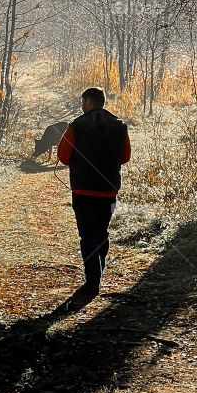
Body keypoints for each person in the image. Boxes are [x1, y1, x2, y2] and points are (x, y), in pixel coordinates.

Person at [56, 87, 131, 298]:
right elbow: (125, 157)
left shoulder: (76, 126)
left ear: (88, 101)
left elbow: (63, 156)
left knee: (87, 234)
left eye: (82, 101)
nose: (82, 106)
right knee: (102, 231)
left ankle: (93, 280)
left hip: (82, 190)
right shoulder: (120, 126)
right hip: (109, 190)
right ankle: (98, 270)